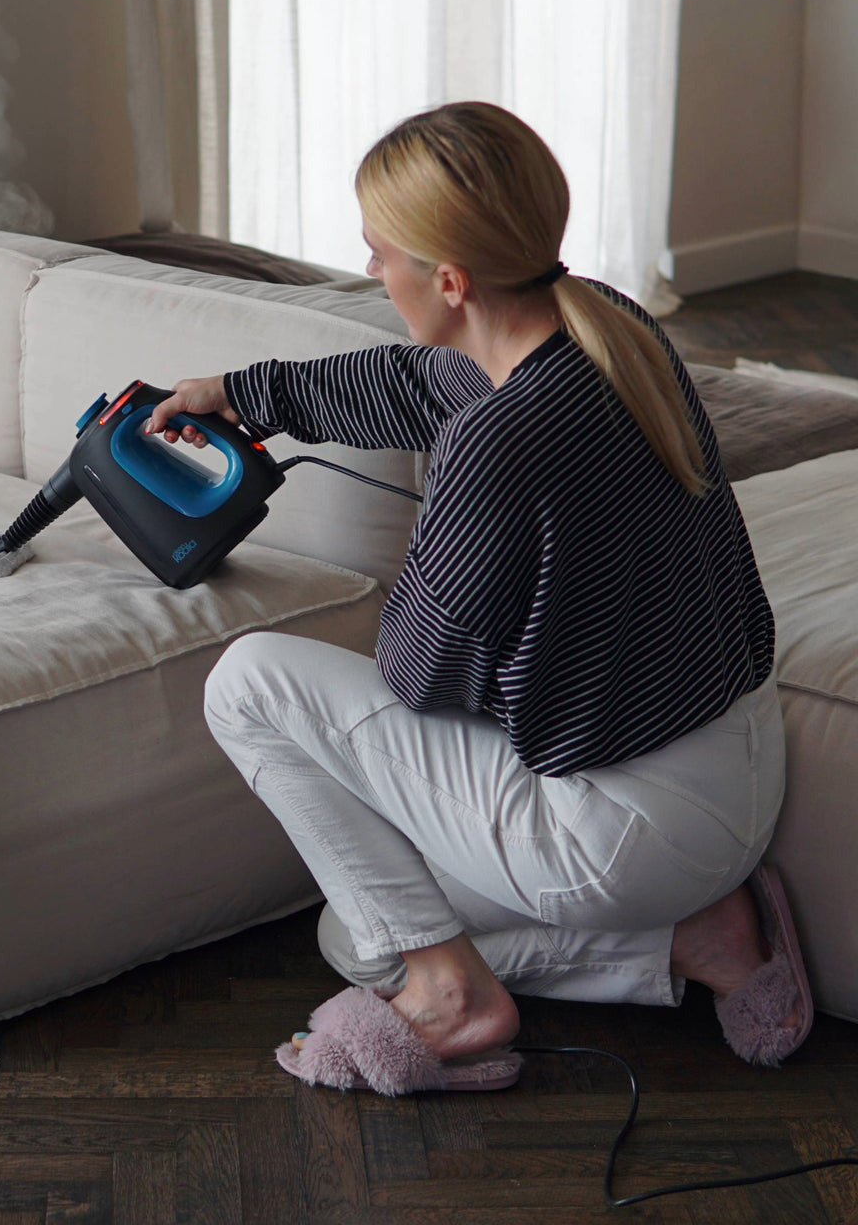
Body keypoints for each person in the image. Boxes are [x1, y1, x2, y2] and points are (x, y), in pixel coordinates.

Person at [143, 102, 811, 1095]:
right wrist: (252, 393)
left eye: (379, 255)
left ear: (447, 280)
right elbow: (420, 381)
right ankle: (696, 936)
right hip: (739, 773)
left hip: (619, 831)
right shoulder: (609, 325)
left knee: (249, 681)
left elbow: (416, 675)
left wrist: (450, 544)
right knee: (354, 932)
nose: (371, 272)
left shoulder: (495, 447)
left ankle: (458, 995)